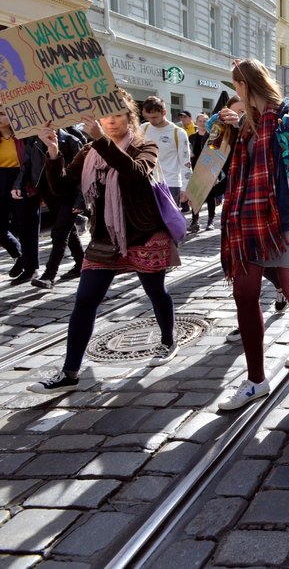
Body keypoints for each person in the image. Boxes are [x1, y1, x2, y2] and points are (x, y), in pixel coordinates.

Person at [27, 90, 181, 394]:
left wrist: (101, 140)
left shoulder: (144, 146)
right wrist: (54, 152)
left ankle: (167, 339)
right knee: (84, 301)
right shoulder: (89, 152)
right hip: (104, 238)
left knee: (155, 291)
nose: (110, 122)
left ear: (129, 117)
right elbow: (59, 190)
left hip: (143, 233)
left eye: (117, 115)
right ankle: (70, 372)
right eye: (105, 116)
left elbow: (135, 172)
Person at [218, 59, 289, 410]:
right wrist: (231, 128)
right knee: (244, 293)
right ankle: (256, 380)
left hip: (277, 221)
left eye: (237, 84)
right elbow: (236, 170)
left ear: (245, 85)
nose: (235, 91)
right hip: (246, 222)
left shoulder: (286, 112)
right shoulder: (245, 125)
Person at [17, 124, 86, 289]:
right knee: (68, 230)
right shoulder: (34, 141)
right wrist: (18, 184)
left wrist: (80, 200)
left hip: (69, 193)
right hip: (48, 193)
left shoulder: (71, 141)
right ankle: (81, 264)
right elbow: (26, 166)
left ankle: (49, 275)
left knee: (59, 233)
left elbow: (84, 174)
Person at [140, 96, 192, 206]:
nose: (151, 121)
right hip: (147, 183)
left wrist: (185, 187)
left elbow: (186, 163)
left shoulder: (178, 133)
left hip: (171, 184)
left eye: (154, 117)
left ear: (164, 112)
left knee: (168, 222)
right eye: (148, 117)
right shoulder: (143, 128)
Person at [1, 108, 24, 278]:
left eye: (2, 113)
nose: (0, 118)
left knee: (23, 225)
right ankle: (19, 255)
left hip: (19, 180)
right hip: (0, 181)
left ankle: (27, 260)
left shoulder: (21, 137)